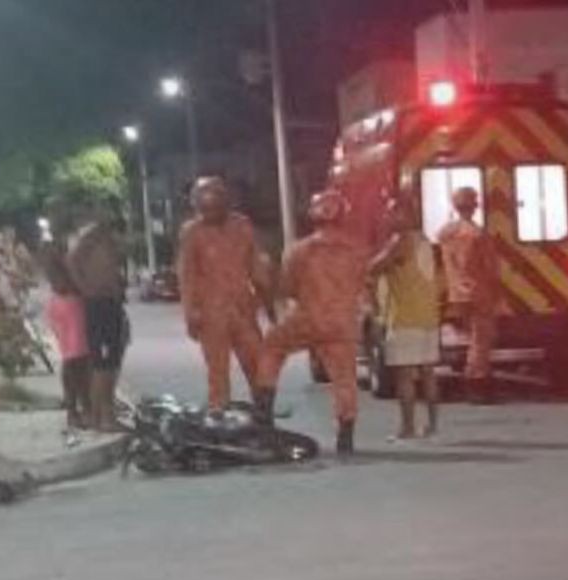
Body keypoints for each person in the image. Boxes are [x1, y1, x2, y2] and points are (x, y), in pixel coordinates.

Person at [256, 191, 367, 454]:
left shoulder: (299, 250)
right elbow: (363, 283)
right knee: (344, 379)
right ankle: (346, 436)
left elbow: (287, 287)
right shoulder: (357, 250)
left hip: (308, 318)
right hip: (342, 322)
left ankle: (263, 414)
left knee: (271, 347)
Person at [177, 177, 272, 414]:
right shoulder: (192, 232)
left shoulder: (242, 226)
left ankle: (264, 414)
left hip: (242, 310)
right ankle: (219, 415)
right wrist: (191, 313)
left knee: (258, 366)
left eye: (215, 207)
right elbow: (187, 275)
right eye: (205, 208)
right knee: (217, 371)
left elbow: (257, 267)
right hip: (210, 314)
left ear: (226, 203)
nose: (210, 213)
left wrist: (269, 304)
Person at [370, 198, 442, 440]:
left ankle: (407, 428)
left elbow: (374, 267)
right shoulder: (424, 240)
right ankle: (432, 426)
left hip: (405, 317)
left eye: (392, 212)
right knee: (428, 372)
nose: (387, 217)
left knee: (404, 375)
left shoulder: (400, 241)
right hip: (428, 316)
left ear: (405, 215)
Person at [65, 200, 128, 431]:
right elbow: (72, 260)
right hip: (99, 302)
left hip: (110, 301)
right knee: (103, 363)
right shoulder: (91, 236)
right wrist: (87, 288)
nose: (109, 214)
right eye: (105, 210)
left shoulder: (107, 236)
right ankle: (100, 416)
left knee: (111, 361)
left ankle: (104, 413)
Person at [437, 187, 500, 404]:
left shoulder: (445, 233)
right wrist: (496, 289)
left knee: (468, 337)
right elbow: (490, 267)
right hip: (478, 291)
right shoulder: (478, 235)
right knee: (480, 339)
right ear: (475, 206)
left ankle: (474, 376)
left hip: (455, 292)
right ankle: (476, 381)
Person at [45, 255, 91, 431]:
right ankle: (74, 412)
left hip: (81, 342)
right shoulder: (58, 299)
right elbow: (54, 324)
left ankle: (84, 409)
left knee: (83, 375)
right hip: (70, 344)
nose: (58, 283)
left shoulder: (77, 295)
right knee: (73, 373)